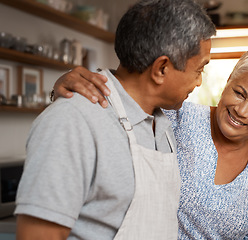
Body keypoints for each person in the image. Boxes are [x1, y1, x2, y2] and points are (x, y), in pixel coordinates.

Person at [53, 44, 248, 239]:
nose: (241, 110)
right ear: (228, 82)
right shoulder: (175, 118)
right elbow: (116, 105)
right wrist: (66, 90)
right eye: (239, 93)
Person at [14, 0, 216, 239]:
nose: (199, 81)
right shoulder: (72, 121)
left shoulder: (163, 121)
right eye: (199, 69)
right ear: (161, 68)